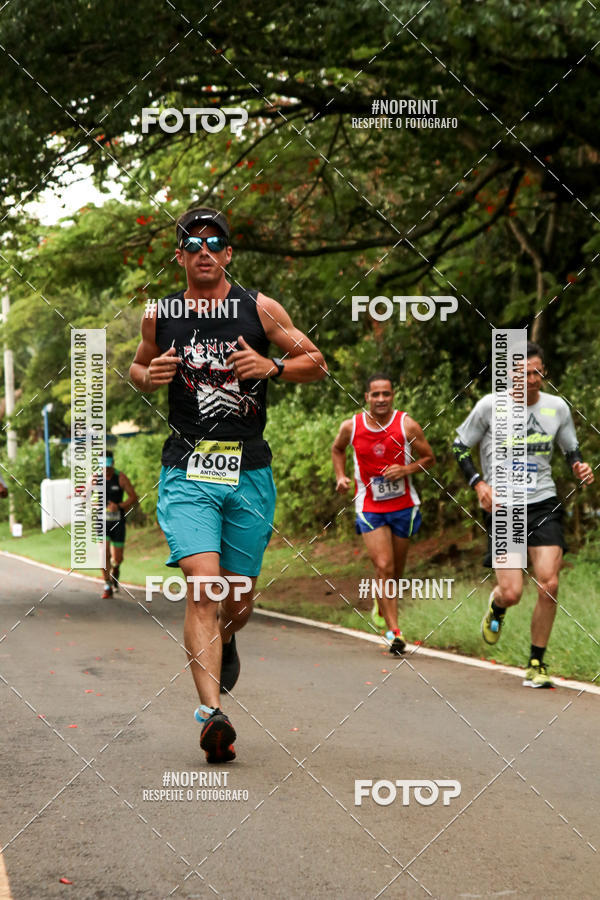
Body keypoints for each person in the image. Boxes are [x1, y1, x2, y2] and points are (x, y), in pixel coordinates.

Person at [129, 206, 327, 763]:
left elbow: (317, 360)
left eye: (214, 242)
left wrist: (274, 368)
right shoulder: (159, 314)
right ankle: (212, 715)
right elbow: (137, 368)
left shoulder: (259, 308)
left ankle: (231, 636)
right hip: (186, 469)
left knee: (236, 601)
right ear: (180, 256)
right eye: (192, 243)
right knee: (205, 586)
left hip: (250, 471)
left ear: (229, 253)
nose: (204, 251)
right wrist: (150, 377)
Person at [453, 341, 594, 688]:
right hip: (504, 507)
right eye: (523, 373)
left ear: (543, 373)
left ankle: (536, 662)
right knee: (512, 591)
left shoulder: (556, 408)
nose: (531, 379)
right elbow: (459, 447)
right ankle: (498, 606)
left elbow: (570, 448)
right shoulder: (490, 406)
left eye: (536, 372)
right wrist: (478, 484)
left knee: (549, 583)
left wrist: (579, 466)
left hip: (543, 502)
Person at [331, 373, 435, 654]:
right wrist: (341, 476)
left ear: (393, 396)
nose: (380, 399)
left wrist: (406, 469)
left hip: (403, 505)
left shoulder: (407, 425)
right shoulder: (351, 426)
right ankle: (394, 631)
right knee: (384, 567)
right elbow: (337, 449)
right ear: (366, 397)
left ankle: (382, 602)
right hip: (369, 506)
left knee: (395, 573)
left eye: (385, 394)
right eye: (375, 394)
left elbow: (429, 459)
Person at [100, 450, 138, 599]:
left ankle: (115, 570)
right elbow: (87, 494)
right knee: (103, 553)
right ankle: (107, 584)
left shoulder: (120, 477)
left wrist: (119, 506)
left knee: (118, 558)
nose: (106, 469)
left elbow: (134, 497)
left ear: (112, 464)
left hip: (118, 521)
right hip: (101, 521)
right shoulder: (95, 478)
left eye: (108, 465)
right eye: (103, 466)